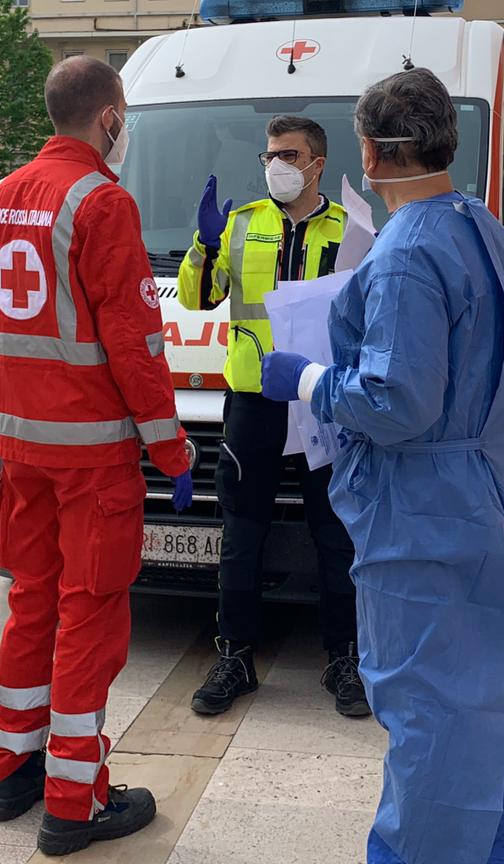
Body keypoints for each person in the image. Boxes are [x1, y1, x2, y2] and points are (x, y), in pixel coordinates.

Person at [259, 68, 504, 864]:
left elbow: (399, 401)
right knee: (480, 707)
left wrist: (309, 380)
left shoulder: (405, 253)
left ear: (368, 152)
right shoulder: (485, 231)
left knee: (428, 718)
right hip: (482, 498)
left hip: (423, 520)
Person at [0, 55, 195, 857]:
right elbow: (134, 340)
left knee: (33, 602)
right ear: (110, 118)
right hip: (91, 456)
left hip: (19, 449)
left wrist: (23, 383)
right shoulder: (102, 201)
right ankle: (73, 803)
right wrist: (170, 446)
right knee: (90, 615)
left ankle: (11, 773)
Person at [178, 116, 366, 718]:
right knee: (242, 534)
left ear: (317, 163)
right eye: (269, 156)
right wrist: (204, 245)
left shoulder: (353, 228)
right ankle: (235, 656)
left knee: (335, 533)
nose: (275, 165)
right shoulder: (241, 224)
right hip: (254, 402)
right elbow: (198, 298)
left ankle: (344, 657)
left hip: (322, 399)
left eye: (288, 155)